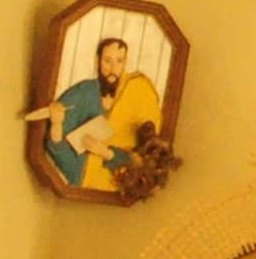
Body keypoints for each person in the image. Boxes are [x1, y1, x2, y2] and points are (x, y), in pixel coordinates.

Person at [23, 34, 162, 193]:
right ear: (97, 61)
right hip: (83, 179)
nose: (113, 68)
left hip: (117, 187)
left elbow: (146, 159)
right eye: (107, 61)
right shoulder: (83, 92)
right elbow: (57, 147)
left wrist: (107, 153)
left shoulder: (137, 93)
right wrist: (56, 123)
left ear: (125, 63)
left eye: (119, 61)